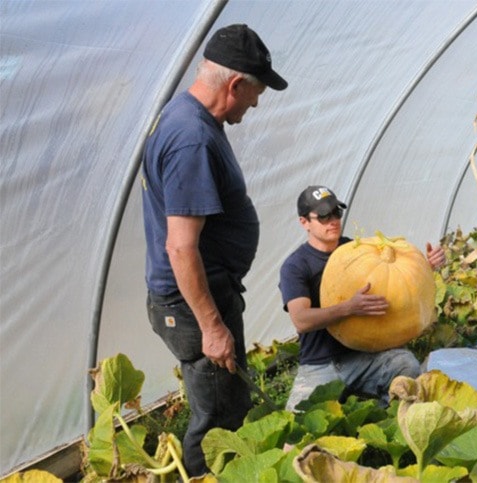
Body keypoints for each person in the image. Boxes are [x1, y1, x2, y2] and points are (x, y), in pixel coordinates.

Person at [141, 24, 287, 476]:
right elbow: (181, 247)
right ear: (235, 84)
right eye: (256, 92)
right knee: (219, 418)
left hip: (201, 295)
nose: (256, 103)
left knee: (226, 406)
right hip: (193, 304)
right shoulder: (192, 138)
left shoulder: (188, 116)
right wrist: (212, 326)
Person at [278, 185, 446, 412]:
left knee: (406, 366)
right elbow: (301, 319)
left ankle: (387, 426)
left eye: (336, 213)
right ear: (304, 222)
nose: (333, 220)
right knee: (295, 434)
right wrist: (348, 307)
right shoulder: (296, 265)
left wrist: (426, 268)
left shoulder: (357, 248)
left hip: (364, 357)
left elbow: (392, 284)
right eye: (324, 216)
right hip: (320, 364)